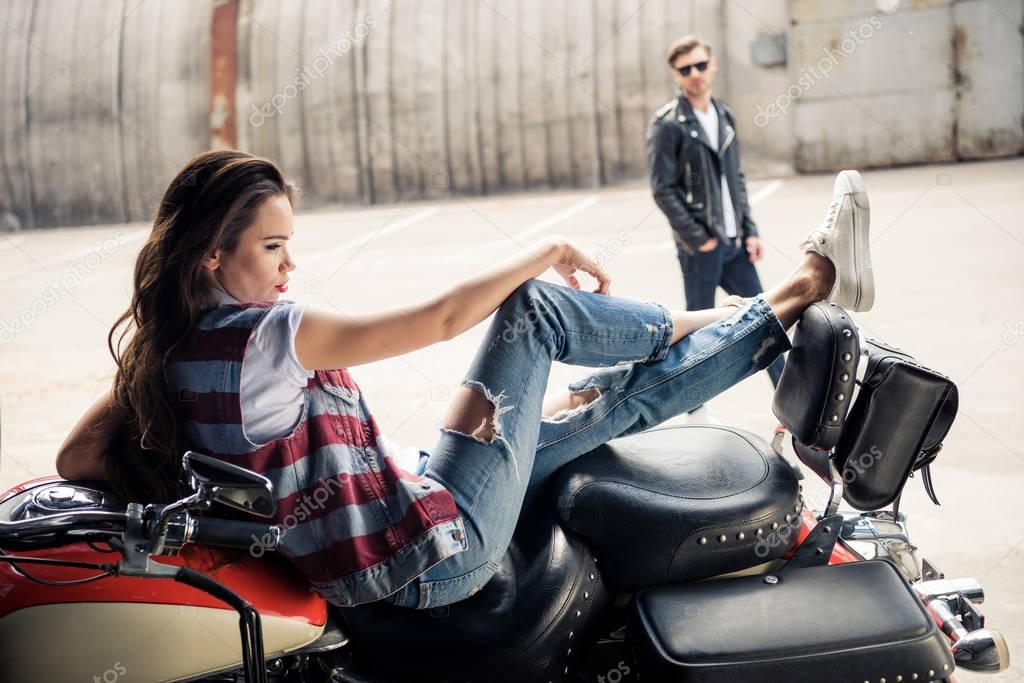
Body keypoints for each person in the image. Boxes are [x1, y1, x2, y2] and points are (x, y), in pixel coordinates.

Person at [55, 150, 873, 610]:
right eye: (272, 246)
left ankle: (768, 308)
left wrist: (210, 487)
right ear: (210, 253)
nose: (289, 264)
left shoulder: (168, 351)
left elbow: (75, 456)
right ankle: (770, 296)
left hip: (398, 514)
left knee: (597, 403)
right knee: (534, 313)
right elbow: (448, 316)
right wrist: (549, 247)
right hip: (436, 552)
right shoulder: (272, 334)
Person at [647, 35, 787, 386]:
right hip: (701, 248)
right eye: (685, 69)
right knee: (697, 333)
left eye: (700, 65)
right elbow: (662, 189)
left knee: (766, 320)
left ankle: (792, 403)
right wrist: (698, 238)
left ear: (713, 65)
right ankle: (694, 405)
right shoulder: (668, 124)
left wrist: (750, 230)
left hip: (735, 243)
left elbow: (735, 178)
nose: (695, 74)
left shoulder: (725, 115)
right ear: (675, 74)